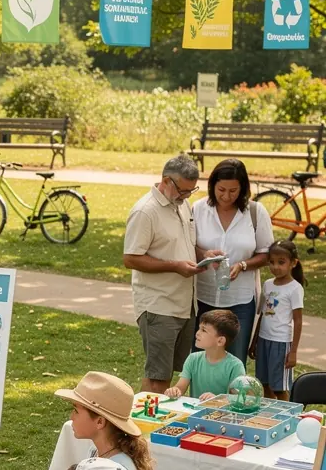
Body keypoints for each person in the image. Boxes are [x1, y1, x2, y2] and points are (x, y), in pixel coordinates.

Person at [165, 309, 246, 470]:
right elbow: (181, 385)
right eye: (199, 328)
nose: (197, 333)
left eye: (203, 330)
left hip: (223, 429)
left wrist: (219, 398)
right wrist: (175, 391)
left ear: (220, 341)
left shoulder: (235, 365)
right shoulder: (193, 359)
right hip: (198, 425)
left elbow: (240, 398)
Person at [123, 154, 201, 392]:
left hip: (185, 302)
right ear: (166, 180)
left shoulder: (181, 203)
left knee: (172, 374)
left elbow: (184, 243)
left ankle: (160, 421)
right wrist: (175, 266)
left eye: (191, 191)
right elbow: (131, 258)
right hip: (158, 305)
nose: (186, 196)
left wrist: (205, 255)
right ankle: (145, 426)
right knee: (158, 377)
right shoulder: (145, 212)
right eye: (183, 190)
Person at [192, 159, 273, 365]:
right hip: (202, 298)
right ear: (212, 185)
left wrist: (243, 265)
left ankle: (233, 399)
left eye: (233, 191)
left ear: (243, 188)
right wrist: (205, 254)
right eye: (221, 189)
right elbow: (188, 246)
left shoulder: (255, 212)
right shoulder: (198, 209)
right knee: (200, 363)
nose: (226, 196)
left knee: (235, 363)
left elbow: (266, 253)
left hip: (240, 302)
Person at [249, 240, 305, 401]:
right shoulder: (267, 285)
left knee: (279, 388)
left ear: (293, 263)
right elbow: (263, 315)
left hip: (281, 343)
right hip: (264, 341)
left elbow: (298, 321)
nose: (275, 267)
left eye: (281, 262)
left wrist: (293, 352)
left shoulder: (295, 289)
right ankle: (269, 417)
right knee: (264, 384)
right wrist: (254, 342)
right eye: (272, 262)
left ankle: (286, 418)